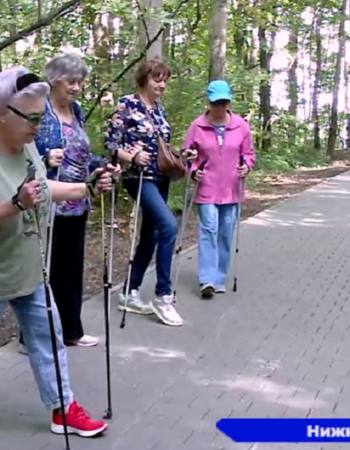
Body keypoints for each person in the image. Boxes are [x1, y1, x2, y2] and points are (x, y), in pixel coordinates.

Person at [0, 66, 115, 445]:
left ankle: (62, 407)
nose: (39, 125)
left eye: (41, 116)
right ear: (4, 114)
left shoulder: (27, 145)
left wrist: (86, 189)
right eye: (33, 117)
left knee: (48, 334)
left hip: (27, 264)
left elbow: (43, 187)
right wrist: (16, 205)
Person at [17, 53, 105, 351]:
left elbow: (82, 155)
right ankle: (32, 336)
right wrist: (43, 159)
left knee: (70, 269)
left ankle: (71, 330)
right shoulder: (38, 112)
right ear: (54, 80)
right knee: (45, 271)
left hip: (77, 200)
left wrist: (102, 167)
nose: (77, 87)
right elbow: (19, 156)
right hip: (46, 202)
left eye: (80, 81)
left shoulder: (77, 111)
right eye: (71, 81)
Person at [104, 59, 194, 327]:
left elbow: (161, 146)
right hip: (138, 177)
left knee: (152, 234)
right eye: (157, 79)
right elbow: (110, 143)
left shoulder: (159, 110)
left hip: (161, 176)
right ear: (144, 79)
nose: (162, 84)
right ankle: (163, 295)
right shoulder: (127, 104)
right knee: (168, 226)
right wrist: (130, 157)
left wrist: (181, 154)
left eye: (165, 79)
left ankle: (129, 292)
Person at [183, 79, 255, 298]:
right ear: (209, 102)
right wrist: (193, 170)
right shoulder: (197, 126)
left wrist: (246, 167)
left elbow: (249, 155)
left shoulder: (241, 125)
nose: (220, 107)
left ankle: (219, 277)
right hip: (207, 188)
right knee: (208, 231)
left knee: (224, 234)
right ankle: (207, 280)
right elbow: (186, 155)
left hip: (232, 190)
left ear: (229, 102)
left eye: (224, 102)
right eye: (216, 102)